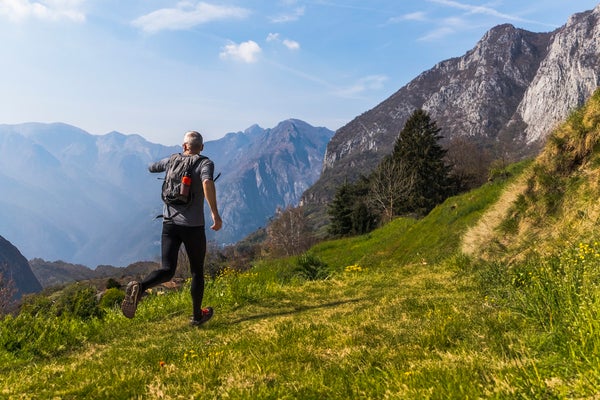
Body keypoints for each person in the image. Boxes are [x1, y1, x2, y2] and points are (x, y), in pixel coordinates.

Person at [121, 130, 222, 326]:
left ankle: (140, 288)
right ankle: (196, 316)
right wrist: (214, 213)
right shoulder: (204, 163)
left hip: (169, 224)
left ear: (184, 146)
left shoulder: (171, 160)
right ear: (201, 147)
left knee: (168, 269)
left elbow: (151, 168)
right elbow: (207, 181)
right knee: (196, 272)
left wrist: (167, 164)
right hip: (193, 226)